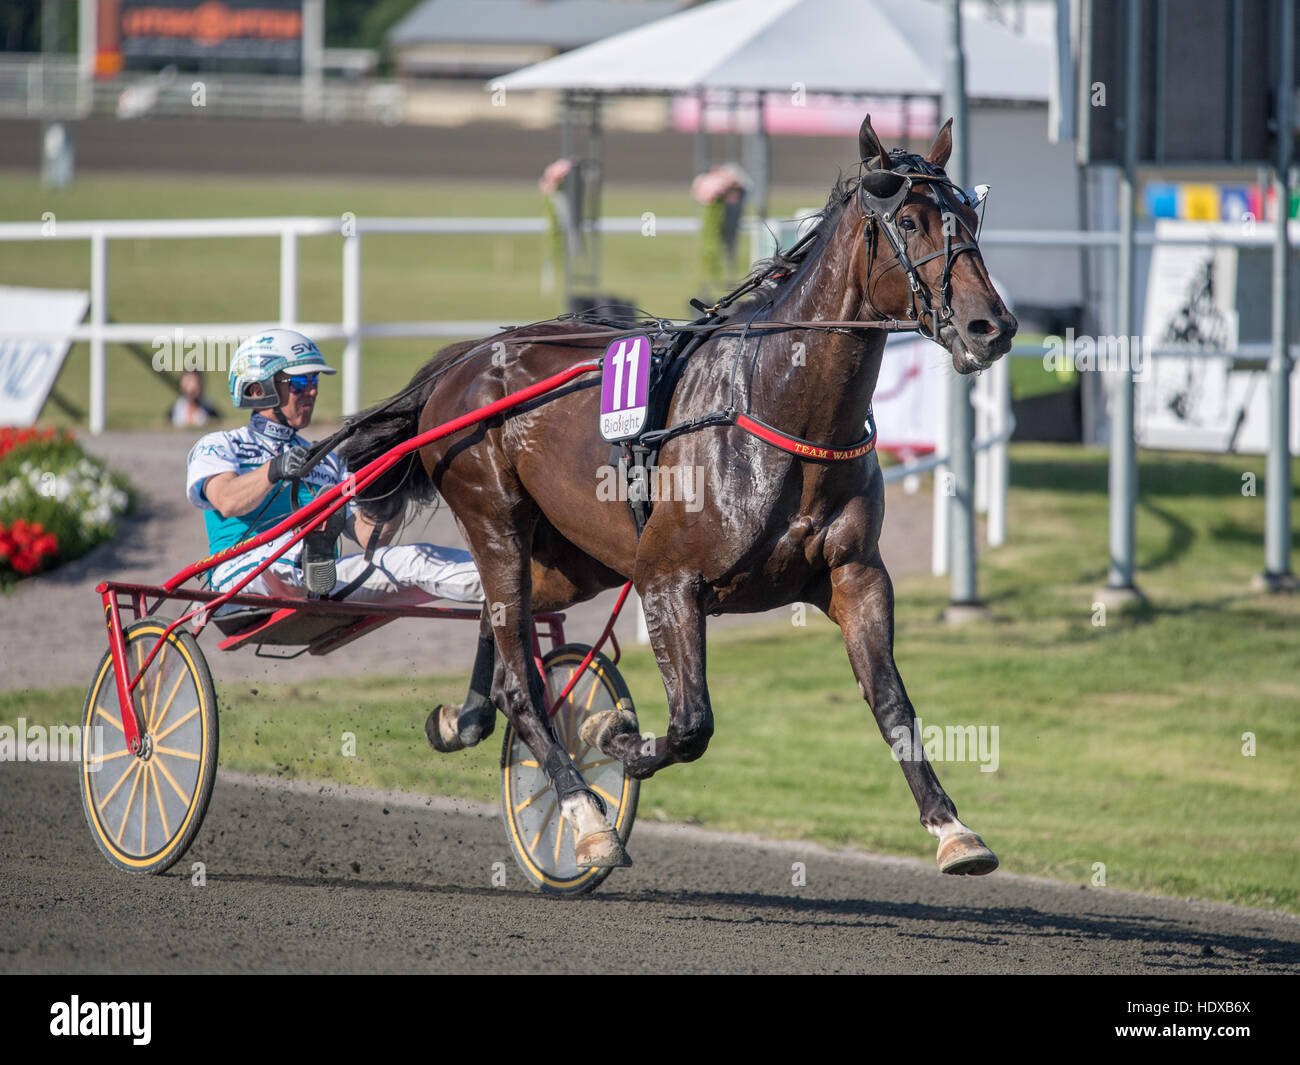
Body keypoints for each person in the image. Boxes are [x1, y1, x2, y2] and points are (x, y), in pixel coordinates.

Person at [185, 328, 484, 609]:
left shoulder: (328, 461)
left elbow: (370, 538)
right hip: (236, 583)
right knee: (294, 548)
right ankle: (310, 555)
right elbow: (226, 500)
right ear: (257, 388)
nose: (312, 392)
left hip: (321, 585)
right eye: (300, 384)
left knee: (418, 559)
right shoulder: (220, 445)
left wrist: (397, 488)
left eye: (314, 382)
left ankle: (512, 584)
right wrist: (275, 469)